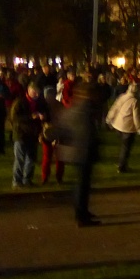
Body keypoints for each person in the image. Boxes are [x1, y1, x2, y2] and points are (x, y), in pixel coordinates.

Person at [57, 80, 102, 227]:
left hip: (77, 150)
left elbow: (64, 124)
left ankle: (82, 211)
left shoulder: (76, 107)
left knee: (81, 184)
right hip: (82, 151)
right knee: (82, 185)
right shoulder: (85, 109)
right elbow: (87, 131)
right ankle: (81, 216)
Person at [10, 81, 44, 188]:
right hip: (21, 134)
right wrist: (31, 117)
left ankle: (27, 179)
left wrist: (42, 118)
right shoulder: (20, 102)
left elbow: (43, 115)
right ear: (29, 90)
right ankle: (17, 181)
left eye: (38, 92)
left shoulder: (39, 103)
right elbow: (14, 117)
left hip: (32, 134)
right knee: (20, 158)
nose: (36, 94)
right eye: (34, 92)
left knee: (31, 158)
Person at [105, 82, 140, 173]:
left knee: (123, 146)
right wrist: (139, 128)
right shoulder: (135, 101)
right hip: (128, 128)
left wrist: (109, 119)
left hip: (118, 125)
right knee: (126, 148)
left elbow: (115, 108)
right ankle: (122, 166)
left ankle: (122, 164)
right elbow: (137, 116)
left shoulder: (122, 97)